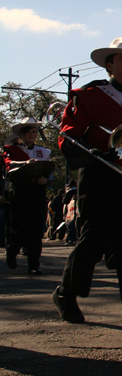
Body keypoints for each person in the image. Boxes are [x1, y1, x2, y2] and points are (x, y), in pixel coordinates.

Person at [53, 36, 122, 336]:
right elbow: (68, 136)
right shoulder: (90, 95)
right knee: (92, 241)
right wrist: (90, 153)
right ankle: (66, 293)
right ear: (109, 64)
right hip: (98, 174)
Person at [5, 117, 54, 274]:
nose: (33, 134)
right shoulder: (12, 150)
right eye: (29, 132)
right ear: (22, 134)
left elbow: (50, 173)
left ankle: (34, 265)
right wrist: (24, 164)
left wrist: (46, 179)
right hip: (20, 191)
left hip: (37, 192)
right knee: (19, 227)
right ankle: (12, 251)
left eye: (34, 131)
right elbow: (8, 165)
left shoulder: (43, 151)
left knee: (36, 229)